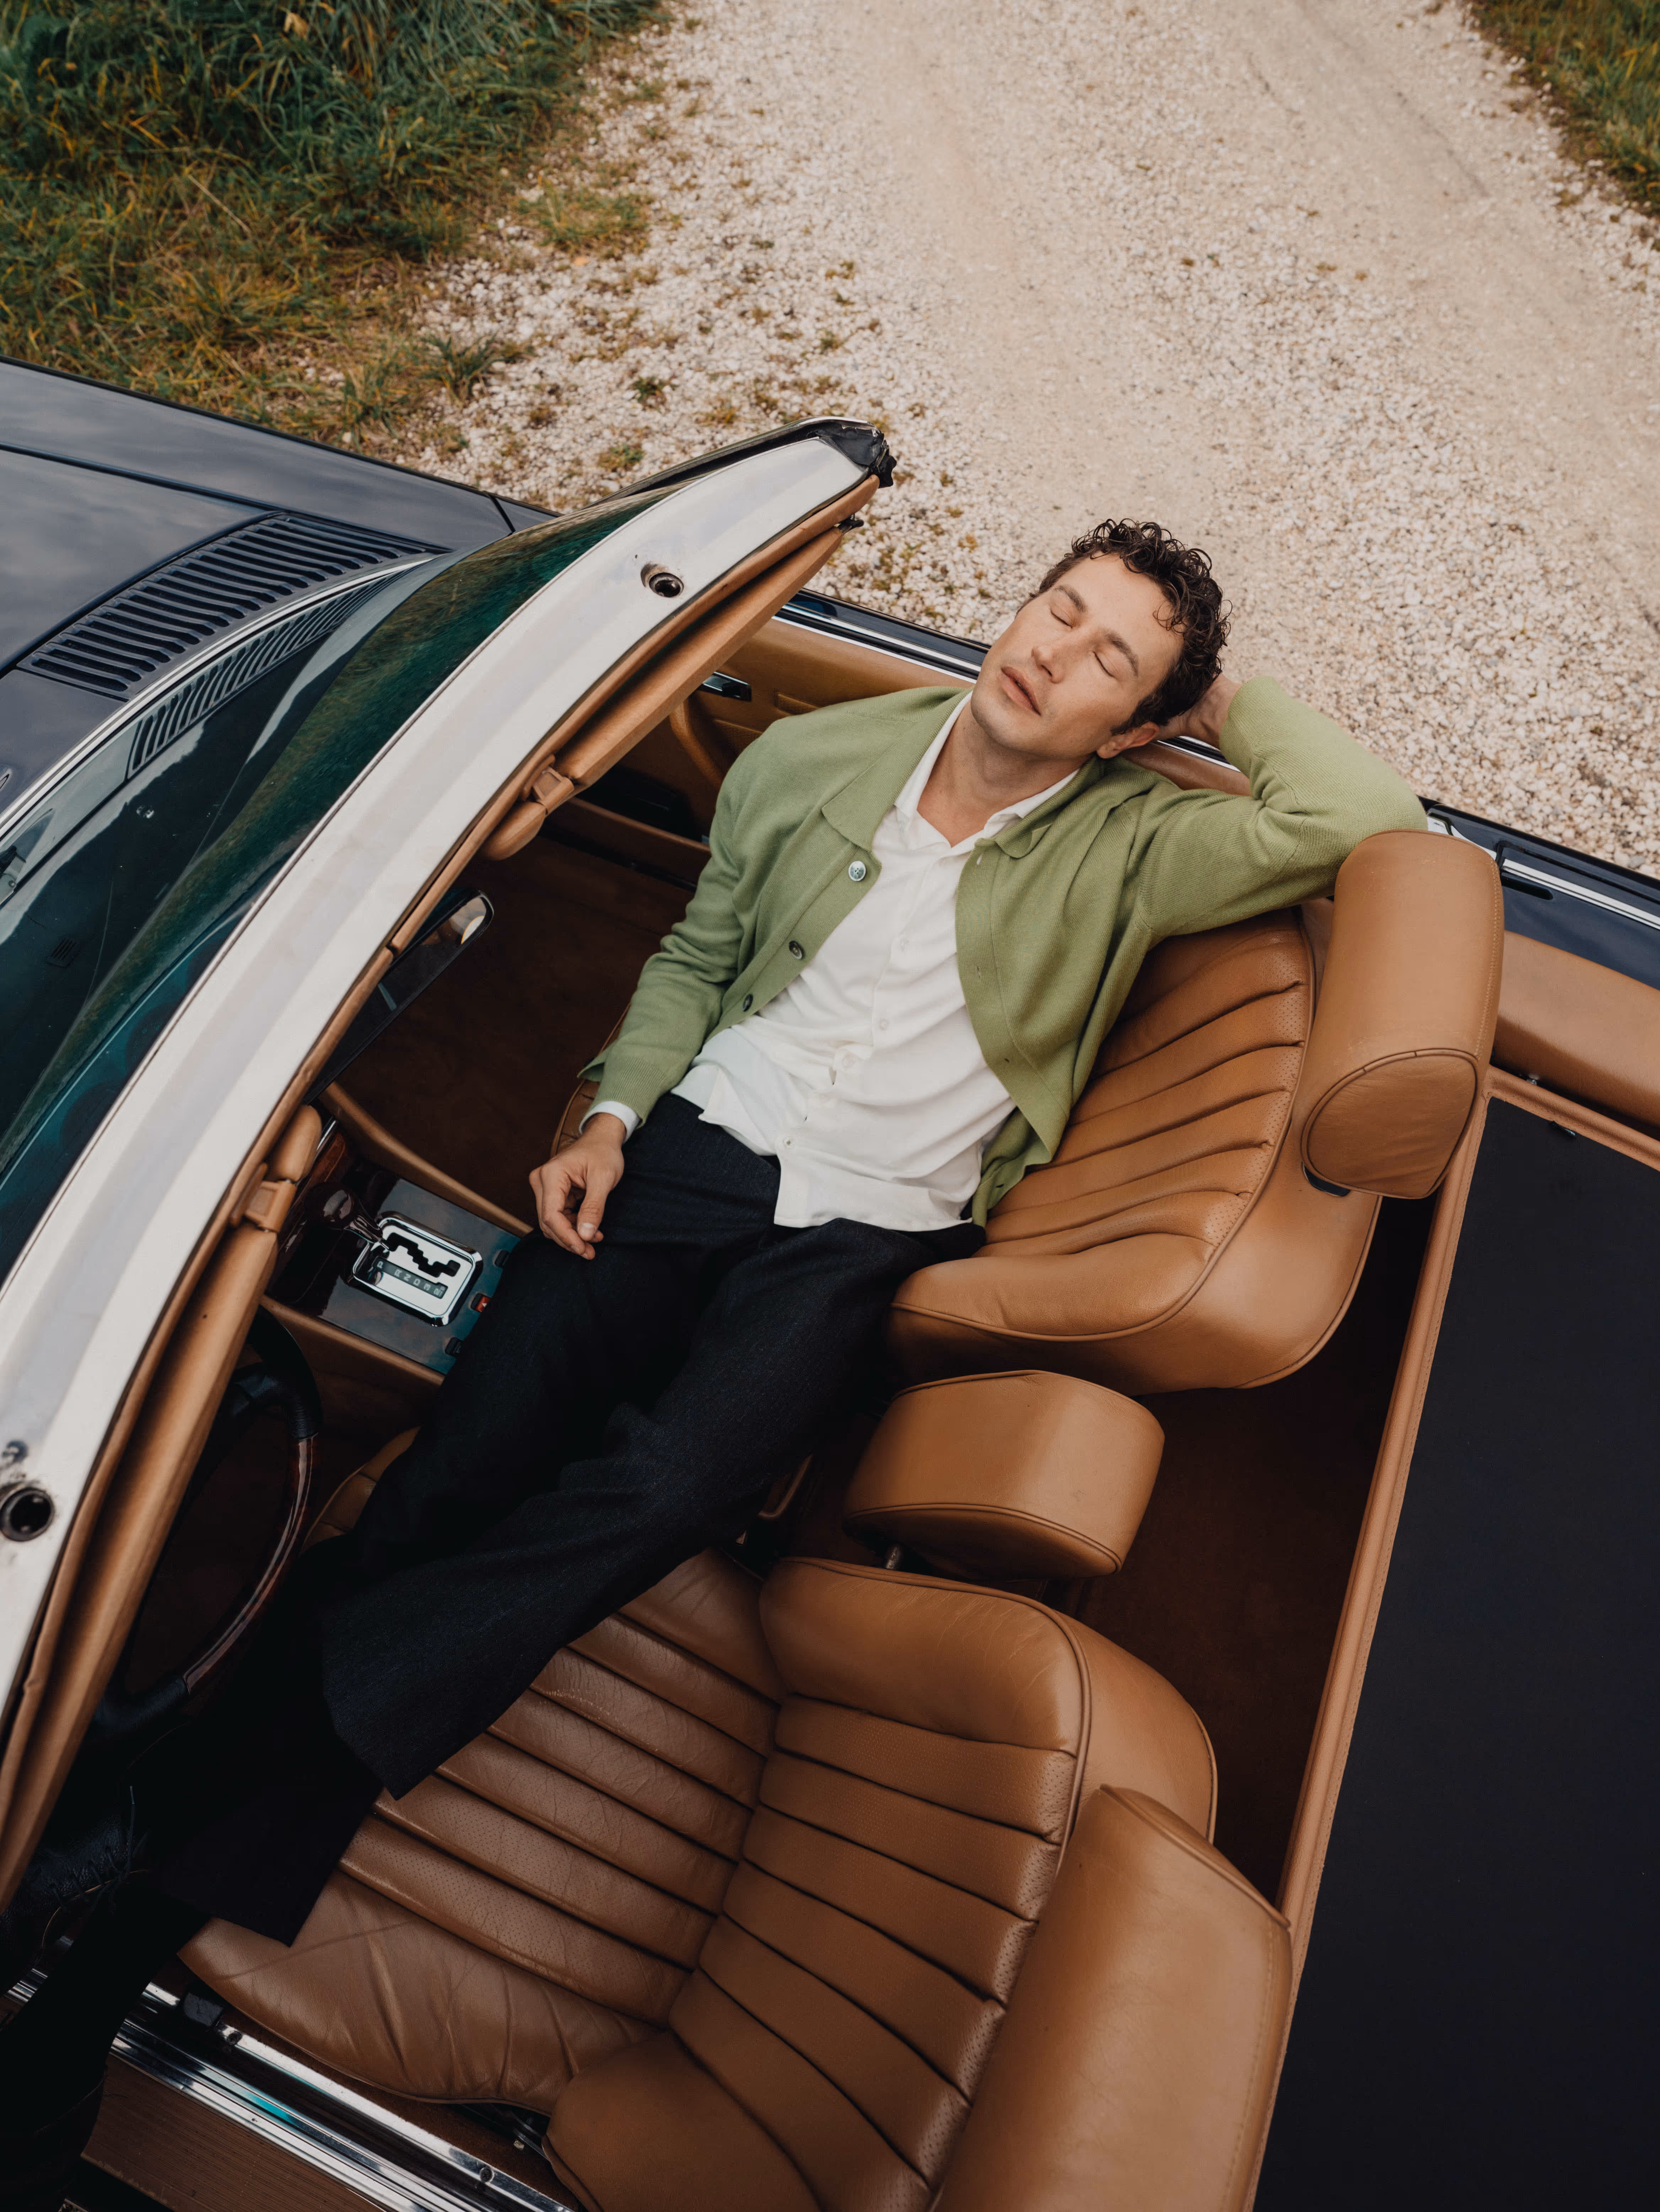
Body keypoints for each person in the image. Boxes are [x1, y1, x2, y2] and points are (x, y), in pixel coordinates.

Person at [0, 518, 1425, 2204]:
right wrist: (607, 1108)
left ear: (1135, 725)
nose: (1051, 649)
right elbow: (692, 959)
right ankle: (98, 1959)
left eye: (1108, 655)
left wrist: (1223, 697)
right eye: (1056, 607)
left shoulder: (1135, 843)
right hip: (700, 1148)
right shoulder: (819, 755)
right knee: (450, 1481)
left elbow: (1359, 821)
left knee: (663, 1487)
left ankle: (136, 1816)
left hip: (865, 1235)